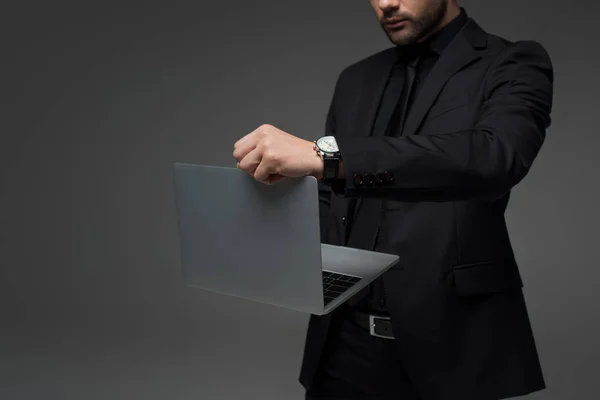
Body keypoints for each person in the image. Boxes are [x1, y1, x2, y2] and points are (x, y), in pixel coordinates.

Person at [233, 0, 553, 399]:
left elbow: (494, 157)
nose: (386, 3)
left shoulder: (513, 62)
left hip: (453, 347)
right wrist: (265, 219)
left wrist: (328, 156)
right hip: (342, 345)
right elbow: (333, 199)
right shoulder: (355, 79)